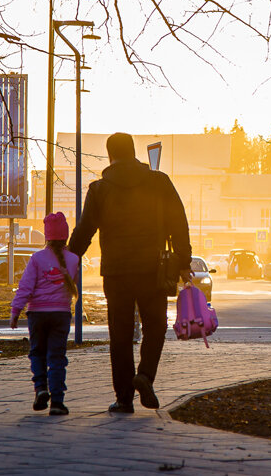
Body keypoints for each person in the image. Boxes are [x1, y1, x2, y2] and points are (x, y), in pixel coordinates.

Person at [69, 132, 192, 414]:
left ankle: (123, 398)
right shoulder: (159, 182)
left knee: (121, 334)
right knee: (155, 327)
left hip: (116, 272)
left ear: (110, 156)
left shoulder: (99, 189)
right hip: (153, 269)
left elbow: (85, 230)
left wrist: (66, 259)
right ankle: (145, 375)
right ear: (134, 152)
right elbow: (178, 220)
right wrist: (184, 261)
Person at [10, 212, 79, 415]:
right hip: (61, 314)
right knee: (57, 357)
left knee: (37, 353)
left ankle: (40, 389)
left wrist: (15, 311)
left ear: (47, 237)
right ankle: (57, 402)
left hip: (37, 315)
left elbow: (26, 287)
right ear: (65, 236)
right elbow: (74, 285)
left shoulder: (37, 258)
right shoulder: (74, 259)